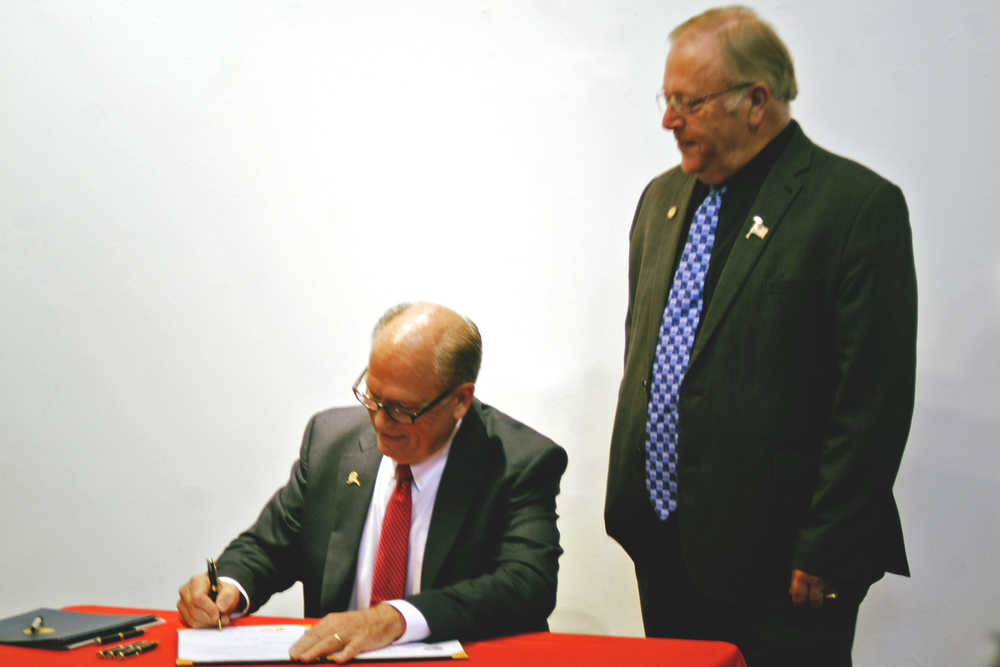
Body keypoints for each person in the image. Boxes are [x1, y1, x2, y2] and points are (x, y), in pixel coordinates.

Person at [604, 7, 916, 665]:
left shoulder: (854, 208)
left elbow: (872, 403)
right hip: (663, 542)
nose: (668, 120)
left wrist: (829, 544)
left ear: (756, 101)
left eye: (688, 102)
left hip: (786, 568)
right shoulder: (659, 200)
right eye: (667, 99)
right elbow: (649, 351)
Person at [178, 302, 568, 663]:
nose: (379, 422)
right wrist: (227, 586)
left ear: (460, 400)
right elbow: (268, 547)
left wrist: (395, 618)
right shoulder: (331, 441)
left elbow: (526, 585)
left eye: (402, 409)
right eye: (373, 397)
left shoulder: (518, 462)